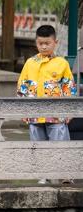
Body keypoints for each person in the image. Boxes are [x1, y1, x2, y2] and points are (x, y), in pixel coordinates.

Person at [17, 24, 75, 184]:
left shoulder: (62, 63)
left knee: (60, 143)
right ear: (36, 42)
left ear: (55, 42)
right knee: (38, 145)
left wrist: (69, 110)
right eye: (40, 43)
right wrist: (22, 109)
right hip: (34, 114)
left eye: (47, 43)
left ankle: (65, 174)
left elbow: (68, 87)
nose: (43, 46)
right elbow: (22, 86)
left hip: (56, 114)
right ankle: (43, 173)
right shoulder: (30, 63)